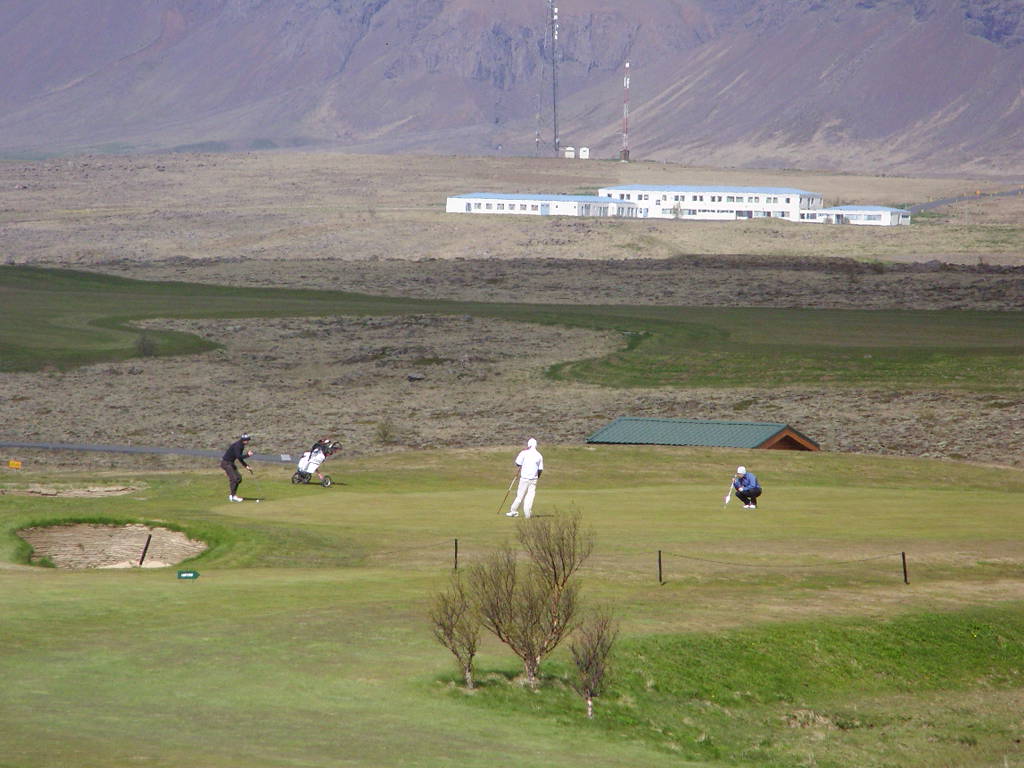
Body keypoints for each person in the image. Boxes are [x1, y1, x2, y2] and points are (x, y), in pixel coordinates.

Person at [507, 437, 543, 519]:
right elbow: (540, 469)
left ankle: (513, 511)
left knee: (519, 496)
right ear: (536, 445)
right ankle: (527, 514)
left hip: (524, 479)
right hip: (533, 480)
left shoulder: (524, 453)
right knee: (530, 497)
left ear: (528, 444)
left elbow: (517, 463)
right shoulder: (539, 455)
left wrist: (523, 462)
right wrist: (537, 477)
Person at [221, 433, 254, 502]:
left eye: (248, 440)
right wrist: (248, 455)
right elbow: (238, 456)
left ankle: (232, 496)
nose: (247, 441)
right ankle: (233, 496)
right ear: (243, 440)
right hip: (226, 463)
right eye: (246, 440)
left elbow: (239, 458)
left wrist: (246, 466)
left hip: (230, 463)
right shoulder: (238, 446)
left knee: (238, 478)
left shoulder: (241, 445)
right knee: (234, 479)